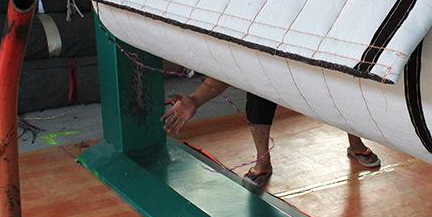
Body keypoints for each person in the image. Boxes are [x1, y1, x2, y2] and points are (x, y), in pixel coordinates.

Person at [162, 77, 381, 186]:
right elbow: (233, 65)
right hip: (273, 71)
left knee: (341, 86)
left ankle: (356, 144)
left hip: (310, 66)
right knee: (258, 91)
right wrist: (195, 100)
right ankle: (263, 161)